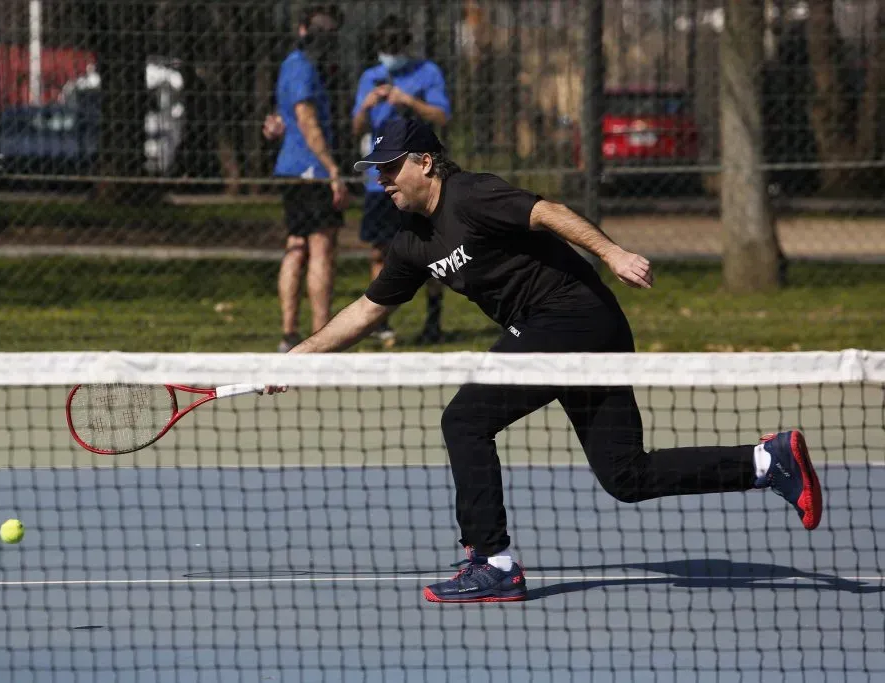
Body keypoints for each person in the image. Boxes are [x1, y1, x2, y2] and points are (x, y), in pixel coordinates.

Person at [268, 118, 823, 603]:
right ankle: (766, 463)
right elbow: (367, 310)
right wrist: (301, 357)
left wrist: (612, 253)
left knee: (464, 419)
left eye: (391, 167)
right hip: (562, 335)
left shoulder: (471, 196)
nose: (381, 179)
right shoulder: (412, 242)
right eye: (377, 169)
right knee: (627, 475)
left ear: (426, 162)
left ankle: (494, 563)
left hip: (574, 320)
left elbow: (549, 211)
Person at [351, 15, 451, 346]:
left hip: (419, 179)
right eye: (385, 47)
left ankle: (433, 321)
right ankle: (380, 323)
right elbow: (356, 127)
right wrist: (366, 106)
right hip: (379, 183)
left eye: (395, 46)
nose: (390, 53)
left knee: (432, 250)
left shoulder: (428, 72)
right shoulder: (370, 76)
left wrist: (408, 102)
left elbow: (441, 116)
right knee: (381, 250)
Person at [267, 5, 348, 353]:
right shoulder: (301, 67)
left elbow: (283, 117)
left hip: (291, 169)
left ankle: (290, 336)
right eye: (320, 29)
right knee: (319, 248)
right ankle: (318, 337)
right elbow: (305, 119)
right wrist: (331, 169)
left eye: (331, 31)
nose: (325, 37)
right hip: (310, 171)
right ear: (303, 29)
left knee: (296, 246)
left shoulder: (295, 65)